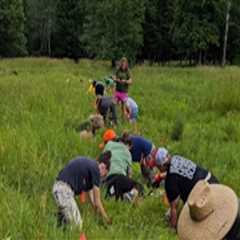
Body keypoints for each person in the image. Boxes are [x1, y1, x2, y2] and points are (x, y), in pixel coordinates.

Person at [154, 148, 219, 229]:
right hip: (213, 182)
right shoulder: (176, 158)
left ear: (161, 165)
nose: (158, 169)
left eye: (158, 167)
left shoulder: (170, 182)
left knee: (191, 220)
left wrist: (171, 229)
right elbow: (178, 173)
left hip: (203, 196)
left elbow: (174, 207)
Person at [52, 152, 112, 228]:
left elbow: (93, 201)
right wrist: (106, 219)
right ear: (103, 167)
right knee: (77, 224)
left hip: (59, 189)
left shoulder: (89, 168)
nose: (102, 177)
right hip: (64, 190)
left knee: (64, 223)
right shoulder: (96, 169)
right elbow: (97, 201)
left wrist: (97, 215)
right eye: (104, 174)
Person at [101, 129, 142, 202]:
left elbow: (102, 160)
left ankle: (113, 194)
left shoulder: (109, 144)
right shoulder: (128, 153)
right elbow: (129, 173)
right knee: (139, 186)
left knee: (112, 192)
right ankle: (129, 195)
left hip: (108, 179)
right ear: (128, 145)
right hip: (121, 177)